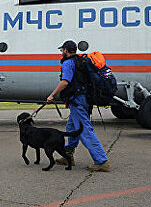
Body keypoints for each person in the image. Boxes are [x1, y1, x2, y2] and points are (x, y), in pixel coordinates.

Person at [47, 40, 110, 172]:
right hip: (82, 99)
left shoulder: (68, 63)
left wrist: (52, 95)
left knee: (84, 130)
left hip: (77, 100)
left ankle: (101, 161)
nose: (61, 53)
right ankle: (68, 155)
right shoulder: (80, 61)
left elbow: (65, 82)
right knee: (71, 127)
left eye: (62, 50)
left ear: (66, 50)